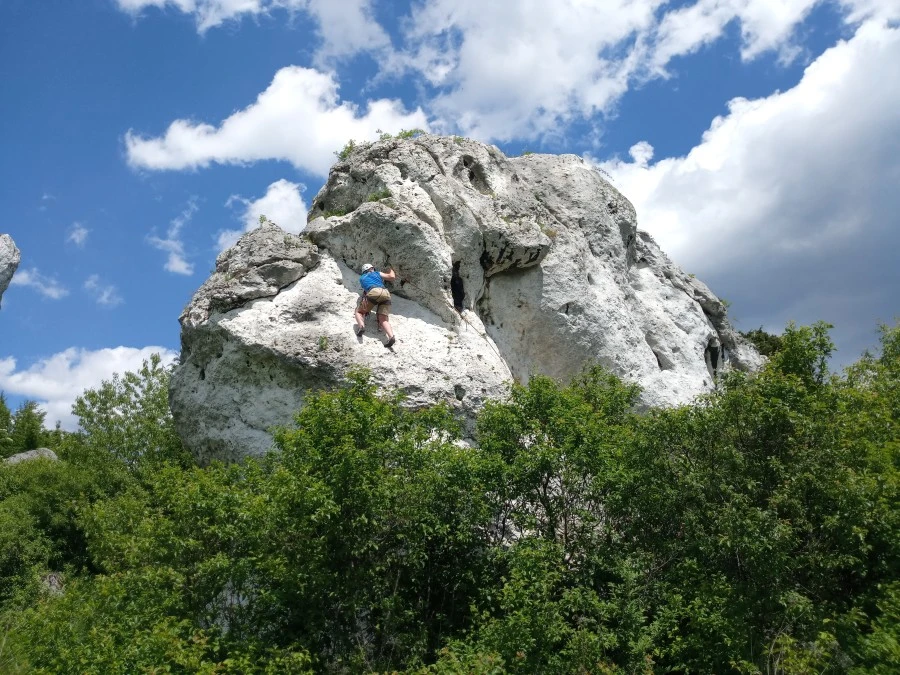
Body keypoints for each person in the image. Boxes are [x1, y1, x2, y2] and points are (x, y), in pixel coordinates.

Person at [355, 263, 396, 347]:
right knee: (383, 319)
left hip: (373, 291)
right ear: (371, 268)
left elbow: (366, 293)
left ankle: (361, 326)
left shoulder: (362, 278)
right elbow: (392, 277)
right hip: (386, 293)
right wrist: (391, 269)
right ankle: (391, 336)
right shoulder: (377, 273)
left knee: (359, 312)